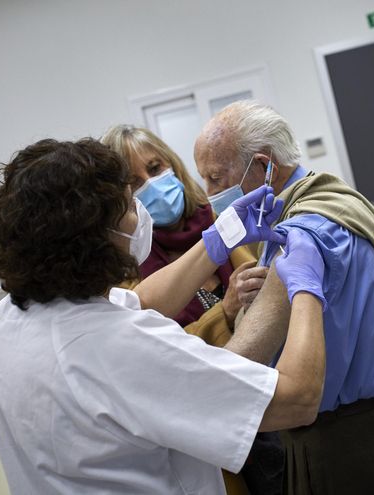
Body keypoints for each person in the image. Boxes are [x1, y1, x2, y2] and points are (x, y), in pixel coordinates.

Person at [0, 137, 327, 495]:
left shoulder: (7, 318)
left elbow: (139, 300)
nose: (141, 212)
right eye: (130, 206)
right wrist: (304, 287)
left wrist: (221, 237)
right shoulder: (118, 349)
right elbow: (297, 399)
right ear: (100, 239)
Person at [194, 101, 374, 494]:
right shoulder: (337, 199)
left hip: (344, 444)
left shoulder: (302, 236)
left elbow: (241, 360)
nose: (209, 195)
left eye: (216, 178)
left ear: (265, 166)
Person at [100, 125, 282, 494]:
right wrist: (225, 312)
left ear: (173, 165)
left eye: (155, 168)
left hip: (272, 397)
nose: (151, 184)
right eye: (134, 183)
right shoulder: (123, 267)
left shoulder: (219, 221)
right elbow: (153, 355)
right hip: (212, 431)